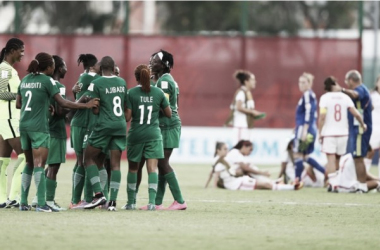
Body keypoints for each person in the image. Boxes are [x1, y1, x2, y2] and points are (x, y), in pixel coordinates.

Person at [16, 52, 99, 212]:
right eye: (52, 65)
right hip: (39, 127)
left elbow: (19, 104)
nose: (54, 67)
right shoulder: (47, 81)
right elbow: (62, 102)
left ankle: (23, 202)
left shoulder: (25, 80)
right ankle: (41, 203)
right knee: (40, 164)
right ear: (47, 67)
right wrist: (85, 106)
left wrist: (40, 104)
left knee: (29, 163)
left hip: (24, 125)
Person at [137, 50, 186, 211]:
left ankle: (179, 200)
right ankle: (157, 203)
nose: (150, 63)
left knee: (162, 163)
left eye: (154, 61)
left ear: (165, 65)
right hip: (167, 126)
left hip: (168, 126)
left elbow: (161, 106)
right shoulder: (163, 80)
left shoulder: (164, 82)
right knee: (161, 163)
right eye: (150, 60)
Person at [123, 64, 171, 211]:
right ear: (149, 75)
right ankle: (151, 203)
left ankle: (131, 202)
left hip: (136, 134)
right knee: (152, 169)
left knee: (133, 169)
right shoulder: (159, 93)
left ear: (136, 77)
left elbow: (128, 117)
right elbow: (169, 114)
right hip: (153, 134)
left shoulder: (130, 93)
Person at [83, 56, 127, 210]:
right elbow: (124, 106)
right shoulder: (122, 82)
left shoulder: (97, 82)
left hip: (104, 126)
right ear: (114, 67)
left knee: (88, 157)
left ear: (101, 68)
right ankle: (113, 203)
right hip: (120, 125)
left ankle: (98, 195)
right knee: (115, 165)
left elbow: (95, 109)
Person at [332, 70, 372, 193]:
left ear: (350, 80)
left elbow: (355, 95)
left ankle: (362, 185)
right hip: (358, 128)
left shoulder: (360, 89)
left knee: (358, 157)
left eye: (346, 81)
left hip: (360, 128)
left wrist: (341, 90)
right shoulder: (365, 90)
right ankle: (362, 184)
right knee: (357, 157)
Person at [318, 76, 366, 177]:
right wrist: (362, 124)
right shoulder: (345, 97)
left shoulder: (324, 98)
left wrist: (320, 132)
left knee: (330, 159)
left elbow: (322, 116)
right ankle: (338, 181)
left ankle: (332, 183)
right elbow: (356, 114)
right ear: (334, 84)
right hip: (343, 134)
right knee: (339, 159)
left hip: (329, 134)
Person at [70, 54, 100, 209]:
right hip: (83, 124)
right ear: (92, 67)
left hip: (81, 123)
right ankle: (84, 199)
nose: (101, 67)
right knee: (86, 161)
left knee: (81, 161)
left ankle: (76, 199)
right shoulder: (90, 78)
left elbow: (78, 95)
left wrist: (75, 92)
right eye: (98, 64)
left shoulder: (83, 78)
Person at [210, 141, 302, 191]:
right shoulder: (231, 154)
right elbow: (216, 175)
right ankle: (291, 187)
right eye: (225, 149)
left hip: (238, 181)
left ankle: (285, 185)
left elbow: (215, 172)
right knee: (266, 185)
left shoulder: (224, 160)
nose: (227, 151)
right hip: (235, 184)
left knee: (266, 185)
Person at [0, 38, 26, 208]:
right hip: (9, 118)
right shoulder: (4, 69)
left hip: (6, 118)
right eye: (21, 50)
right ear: (12, 50)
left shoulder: (8, 69)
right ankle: (14, 197)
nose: (23, 54)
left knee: (3, 160)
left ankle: (2, 199)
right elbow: (1, 92)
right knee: (25, 156)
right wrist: (20, 96)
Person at [44, 55, 70, 211]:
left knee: (45, 167)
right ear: (59, 68)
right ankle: (49, 201)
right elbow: (60, 111)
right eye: (65, 66)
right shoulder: (59, 86)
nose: (66, 69)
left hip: (45, 129)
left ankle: (37, 198)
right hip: (56, 130)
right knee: (54, 167)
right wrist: (76, 105)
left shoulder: (44, 84)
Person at [293, 73, 325, 182]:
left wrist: (304, 130)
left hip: (305, 128)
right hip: (311, 127)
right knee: (305, 156)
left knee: (297, 154)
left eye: (304, 82)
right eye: (299, 82)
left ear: (309, 83)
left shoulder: (307, 94)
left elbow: (308, 112)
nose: (301, 85)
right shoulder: (311, 95)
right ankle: (326, 173)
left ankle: (296, 180)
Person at [225, 70, 265, 144]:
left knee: (245, 150)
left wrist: (255, 114)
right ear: (246, 81)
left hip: (246, 126)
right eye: (252, 80)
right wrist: (253, 112)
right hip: (240, 126)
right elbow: (238, 107)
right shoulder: (241, 92)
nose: (255, 82)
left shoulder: (247, 93)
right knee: (239, 149)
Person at [368, 76, 380, 176]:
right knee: (370, 152)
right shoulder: (371, 96)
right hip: (374, 128)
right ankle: (364, 178)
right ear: (377, 83)